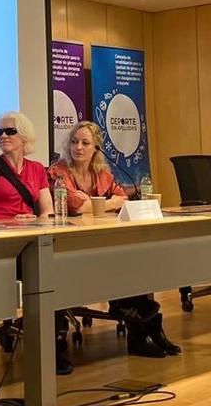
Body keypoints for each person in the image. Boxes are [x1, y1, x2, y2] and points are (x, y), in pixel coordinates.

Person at [48, 121, 179, 357]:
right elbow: (74, 204)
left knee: (133, 257)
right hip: (68, 245)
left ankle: (147, 326)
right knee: (119, 259)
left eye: (85, 143)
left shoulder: (102, 174)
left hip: (99, 240)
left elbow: (123, 199)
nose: (78, 147)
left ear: (96, 147)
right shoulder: (59, 171)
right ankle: (136, 322)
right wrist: (106, 204)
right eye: (74, 142)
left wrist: (98, 204)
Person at [0, 112, 79, 373]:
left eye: (9, 131)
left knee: (57, 266)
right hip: (1, 246)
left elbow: (47, 211)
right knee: (43, 272)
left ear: (24, 136)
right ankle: (47, 350)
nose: (3, 137)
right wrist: (10, 223)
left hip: (32, 240)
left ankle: (53, 338)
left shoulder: (36, 169)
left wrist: (33, 221)